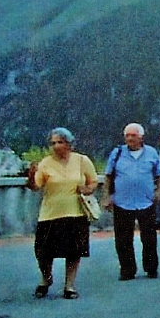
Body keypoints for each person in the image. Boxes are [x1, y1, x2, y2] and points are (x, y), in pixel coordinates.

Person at [32, 128, 97, 299]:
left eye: (59, 142)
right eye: (52, 143)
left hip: (75, 213)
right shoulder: (46, 163)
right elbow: (36, 186)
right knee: (43, 253)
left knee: (74, 252)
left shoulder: (82, 160)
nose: (55, 146)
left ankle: (69, 285)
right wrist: (31, 175)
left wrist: (87, 189)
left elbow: (93, 182)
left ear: (69, 144)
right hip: (50, 214)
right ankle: (46, 278)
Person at [104, 123, 160, 280]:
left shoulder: (151, 153)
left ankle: (151, 268)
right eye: (127, 136)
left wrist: (158, 191)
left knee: (149, 237)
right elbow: (108, 176)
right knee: (123, 238)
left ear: (141, 137)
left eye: (133, 135)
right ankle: (127, 270)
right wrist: (107, 197)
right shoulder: (117, 153)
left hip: (146, 201)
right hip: (123, 201)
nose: (130, 138)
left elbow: (158, 175)